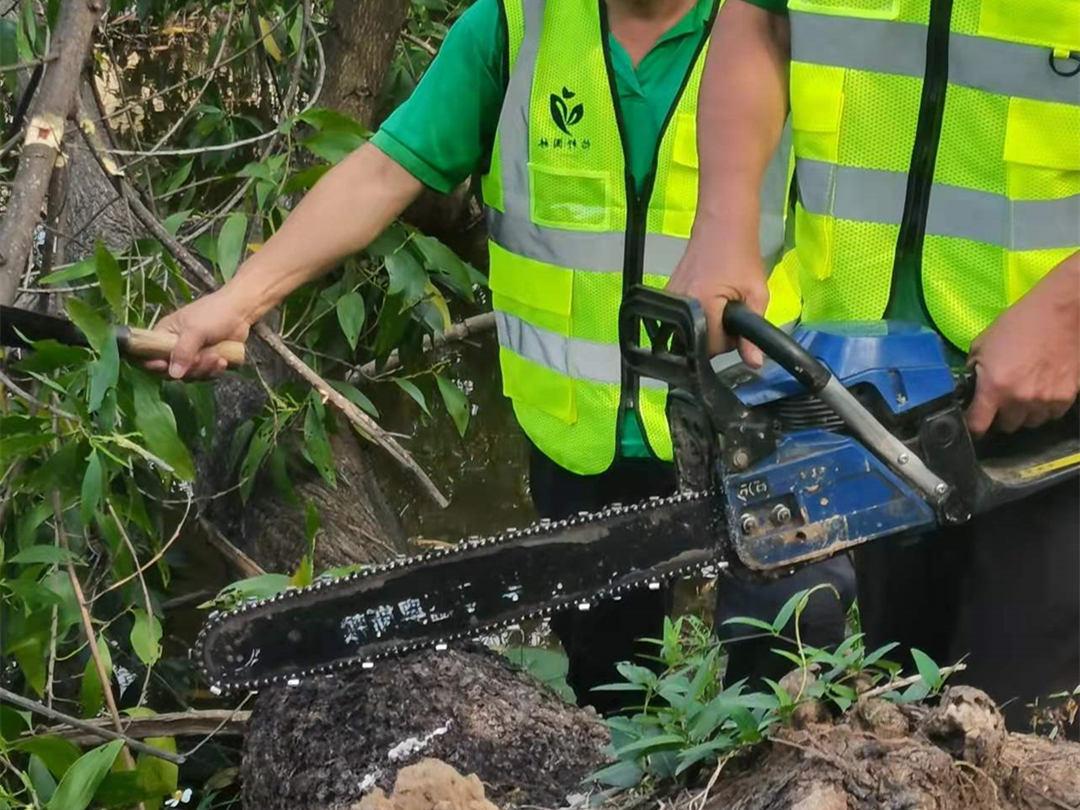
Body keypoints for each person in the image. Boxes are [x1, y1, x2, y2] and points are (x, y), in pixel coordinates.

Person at [151, 0, 854, 710]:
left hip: (754, 409)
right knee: (609, 684)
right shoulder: (515, 26)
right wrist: (238, 299)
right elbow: (381, 173)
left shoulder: (778, 24)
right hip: (579, 433)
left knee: (794, 640)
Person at [669, 0, 1079, 729]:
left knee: (1025, 729)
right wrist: (725, 218)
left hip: (1058, 393)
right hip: (882, 386)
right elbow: (758, 18)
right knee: (914, 711)